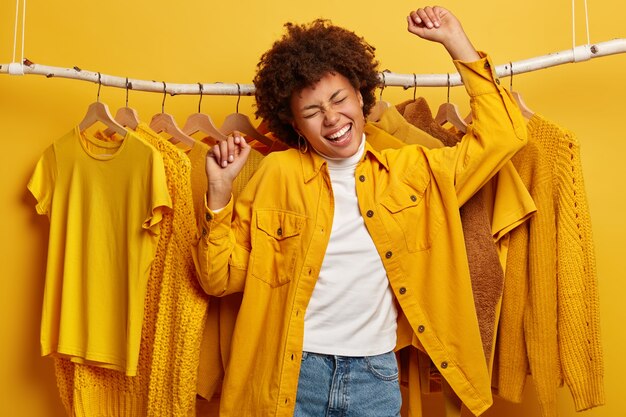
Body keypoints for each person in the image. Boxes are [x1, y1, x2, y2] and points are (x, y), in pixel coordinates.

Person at [195, 6, 527, 417]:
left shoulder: (414, 170)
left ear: (361, 94)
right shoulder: (278, 174)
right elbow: (218, 278)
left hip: (374, 377)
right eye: (313, 112)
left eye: (339, 99)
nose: (332, 118)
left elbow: (505, 136)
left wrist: (455, 41)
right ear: (295, 124)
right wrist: (219, 192)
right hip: (289, 374)